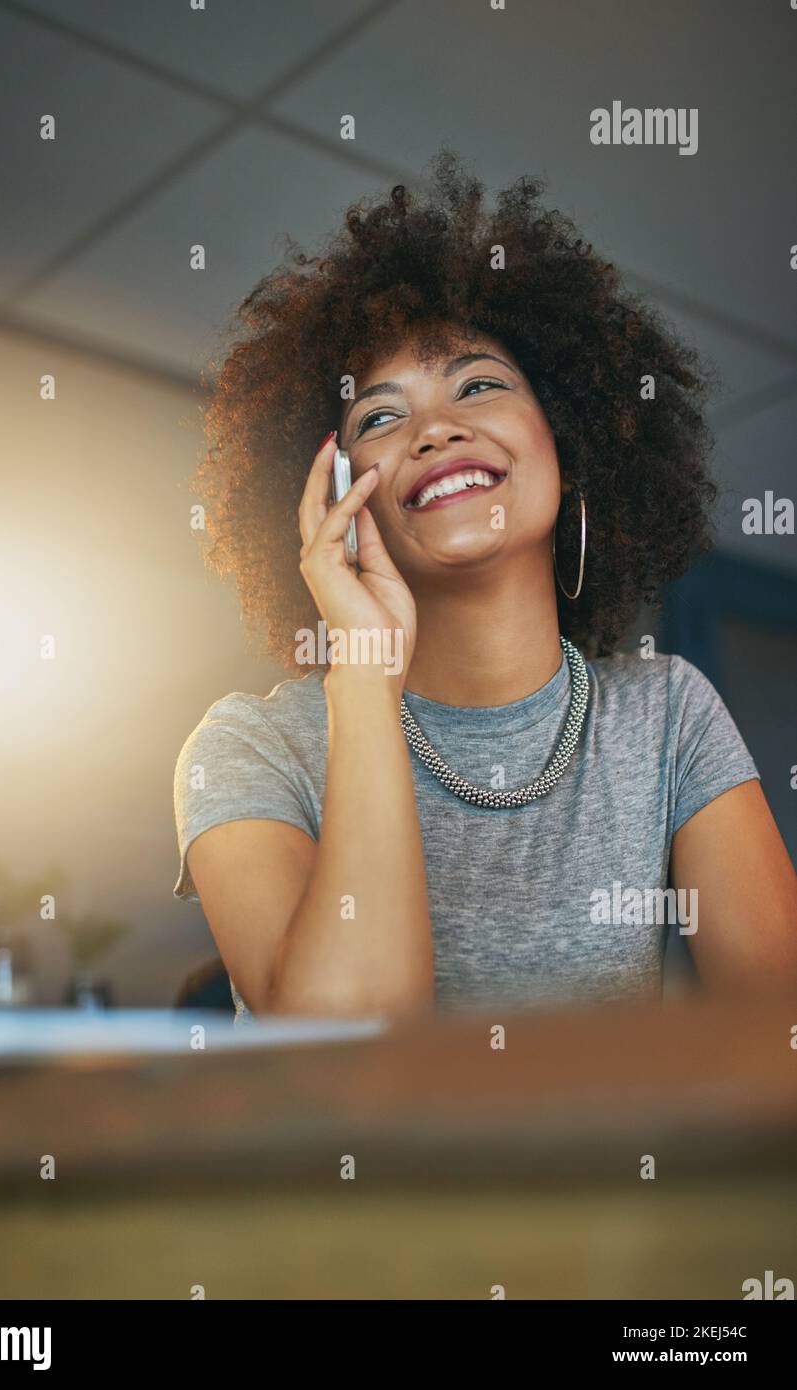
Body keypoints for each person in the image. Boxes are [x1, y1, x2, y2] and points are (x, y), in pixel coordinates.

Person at [173, 151, 797, 1025]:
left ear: (570, 443)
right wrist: (361, 670)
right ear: (335, 501)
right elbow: (344, 1050)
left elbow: (779, 1042)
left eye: (479, 385)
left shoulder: (666, 718)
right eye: (381, 417)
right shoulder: (252, 746)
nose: (437, 428)